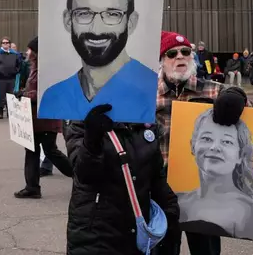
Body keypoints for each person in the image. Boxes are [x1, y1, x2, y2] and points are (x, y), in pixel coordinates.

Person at [155, 31, 253, 255]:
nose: (180, 56)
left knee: (206, 250)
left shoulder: (212, 90)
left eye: (186, 52)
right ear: (162, 60)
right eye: (172, 53)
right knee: (163, 249)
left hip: (202, 192)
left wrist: (238, 96)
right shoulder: (148, 94)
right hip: (159, 188)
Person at [39, 0, 157, 124]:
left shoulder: (151, 91)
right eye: (84, 13)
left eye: (112, 14)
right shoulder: (54, 97)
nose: (97, 29)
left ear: (131, 22)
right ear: (68, 20)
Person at [65, 103, 180, 254]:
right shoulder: (82, 119)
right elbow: (84, 175)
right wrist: (92, 141)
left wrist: (170, 213)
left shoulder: (144, 121)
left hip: (135, 234)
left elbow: (155, 175)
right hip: (95, 235)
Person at [178, 105, 253, 242]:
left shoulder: (251, 214)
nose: (215, 148)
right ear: (193, 146)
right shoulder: (180, 202)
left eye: (227, 141)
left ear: (240, 155)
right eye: (207, 139)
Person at [14, 36, 73, 199]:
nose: (27, 52)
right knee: (32, 151)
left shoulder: (46, 69)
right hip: (35, 118)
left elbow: (45, 93)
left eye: (29, 49)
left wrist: (25, 94)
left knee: (51, 151)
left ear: (36, 52)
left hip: (46, 118)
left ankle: (81, 177)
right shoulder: (35, 67)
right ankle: (32, 187)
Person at [0, 36, 22, 119]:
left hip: (11, 78)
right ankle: (1, 112)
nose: (5, 44)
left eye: (7, 43)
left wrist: (15, 71)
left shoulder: (14, 54)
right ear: (1, 44)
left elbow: (19, 64)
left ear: (9, 44)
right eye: (3, 43)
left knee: (11, 95)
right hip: (1, 78)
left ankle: (9, 112)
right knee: (2, 95)